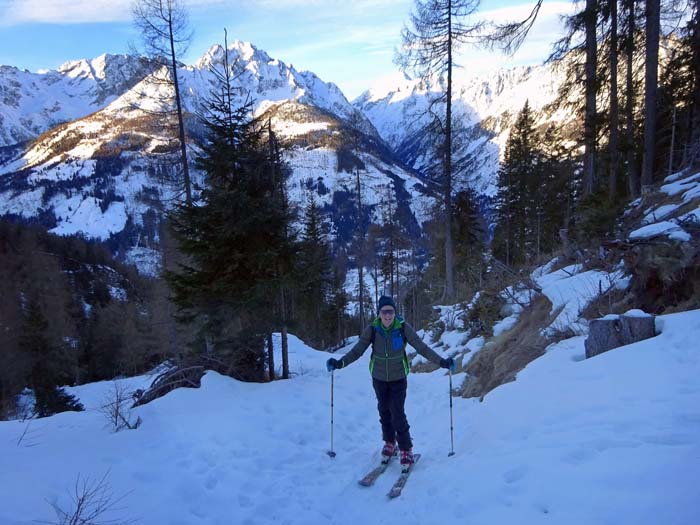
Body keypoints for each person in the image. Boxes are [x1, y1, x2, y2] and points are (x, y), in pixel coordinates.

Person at [326, 295, 455, 471]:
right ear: (379, 313)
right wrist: (340, 363)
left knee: (397, 413)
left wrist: (442, 362)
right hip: (378, 378)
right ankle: (389, 442)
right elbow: (357, 351)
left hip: (398, 378)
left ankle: (405, 448)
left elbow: (421, 347)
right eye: (384, 312)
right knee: (384, 410)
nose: (388, 315)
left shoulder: (402, 328)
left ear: (395, 312)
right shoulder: (372, 329)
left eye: (391, 311)